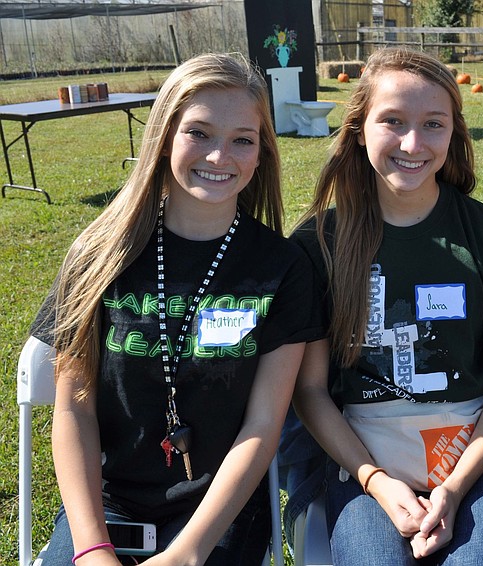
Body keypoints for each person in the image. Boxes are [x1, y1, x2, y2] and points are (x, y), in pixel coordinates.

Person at [33, 52, 322, 565]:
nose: (219, 157)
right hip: (108, 506)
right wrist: (92, 548)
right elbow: (72, 409)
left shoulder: (283, 268)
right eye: (199, 133)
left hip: (218, 510)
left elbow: (262, 425)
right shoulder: (99, 254)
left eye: (242, 139)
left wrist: (187, 554)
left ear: (261, 154)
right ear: (164, 136)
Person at [286, 46, 483, 565]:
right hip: (364, 454)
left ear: (454, 134)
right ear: (359, 128)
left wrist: (453, 489)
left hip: (478, 452)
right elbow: (312, 391)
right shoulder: (318, 245)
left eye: (433, 124)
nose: (413, 143)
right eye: (393, 121)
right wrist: (378, 482)